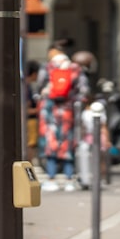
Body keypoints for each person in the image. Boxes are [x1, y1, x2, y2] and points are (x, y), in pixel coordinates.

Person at [37, 43, 88, 191]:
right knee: (68, 145)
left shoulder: (47, 67)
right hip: (68, 112)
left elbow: (40, 85)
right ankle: (69, 180)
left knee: (50, 144)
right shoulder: (75, 68)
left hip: (50, 111)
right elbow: (83, 90)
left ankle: (51, 179)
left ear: (53, 52)